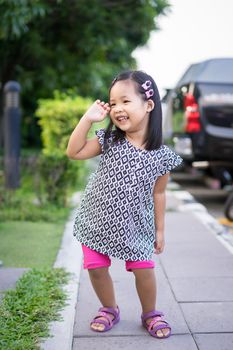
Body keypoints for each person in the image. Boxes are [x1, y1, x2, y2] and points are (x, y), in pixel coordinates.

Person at [66, 70, 182, 339]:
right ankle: (109, 308)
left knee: (144, 270)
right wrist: (87, 119)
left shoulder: (161, 157)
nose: (117, 108)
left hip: (136, 226)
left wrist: (160, 231)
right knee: (96, 269)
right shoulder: (110, 140)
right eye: (113, 102)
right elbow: (74, 152)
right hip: (96, 220)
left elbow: (159, 194)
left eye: (125, 101)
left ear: (148, 105)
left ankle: (150, 313)